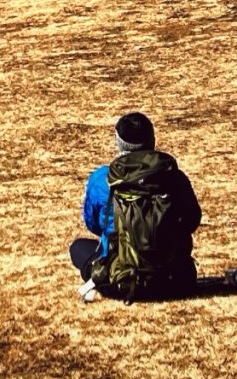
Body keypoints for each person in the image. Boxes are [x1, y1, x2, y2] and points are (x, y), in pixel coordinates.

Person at [70, 110, 203, 300]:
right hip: (174, 280)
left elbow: (93, 224)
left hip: (120, 283)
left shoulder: (101, 179)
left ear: (118, 142)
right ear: (152, 140)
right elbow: (192, 220)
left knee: (78, 248)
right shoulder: (174, 177)